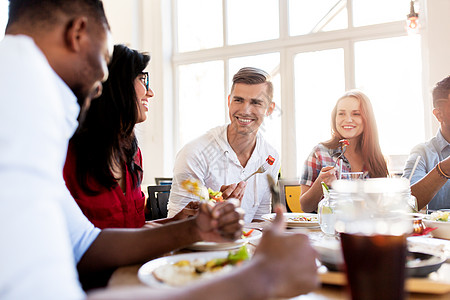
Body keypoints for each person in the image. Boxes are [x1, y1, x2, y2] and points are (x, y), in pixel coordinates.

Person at [0, 1, 319, 299]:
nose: (103, 79)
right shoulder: (21, 99)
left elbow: (83, 244)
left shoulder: (32, 105)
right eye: (106, 57)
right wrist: (260, 279)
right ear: (78, 34)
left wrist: (193, 227)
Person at [64, 44, 197, 229]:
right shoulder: (67, 158)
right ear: (117, 85)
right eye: (143, 80)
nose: (150, 92)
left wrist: (180, 222)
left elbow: (134, 231)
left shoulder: (132, 155)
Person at [168, 67, 281, 224]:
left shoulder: (270, 157)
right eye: (238, 100)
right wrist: (215, 211)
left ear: (269, 109)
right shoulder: (194, 153)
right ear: (229, 101)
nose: (245, 110)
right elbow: (175, 226)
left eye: (256, 102)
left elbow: (259, 220)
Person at [299, 90, 388, 212]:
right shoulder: (320, 153)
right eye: (341, 114)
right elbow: (305, 207)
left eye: (356, 114)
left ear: (367, 118)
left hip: (365, 229)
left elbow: (381, 208)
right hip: (329, 228)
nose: (348, 119)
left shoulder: (376, 159)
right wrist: (321, 182)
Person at [403, 75, 450, 210]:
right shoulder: (422, 153)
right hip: (436, 231)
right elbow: (408, 204)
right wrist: (444, 169)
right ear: (439, 115)